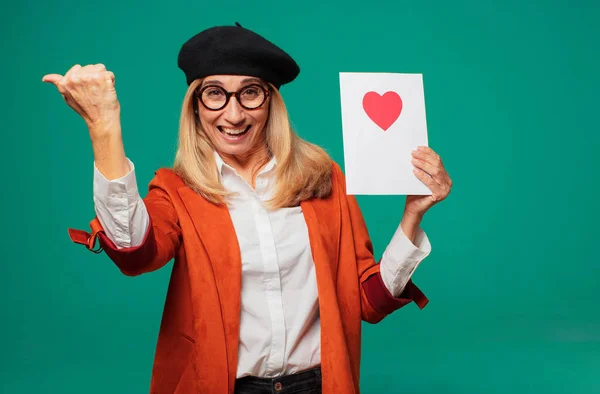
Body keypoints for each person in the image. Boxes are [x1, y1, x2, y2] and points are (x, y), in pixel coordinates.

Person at [42, 23, 452, 394]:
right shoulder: (177, 190)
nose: (233, 114)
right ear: (196, 106)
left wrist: (412, 215)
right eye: (215, 94)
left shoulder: (323, 179)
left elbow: (366, 301)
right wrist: (104, 127)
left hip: (319, 385)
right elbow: (135, 252)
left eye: (250, 92)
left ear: (270, 102)